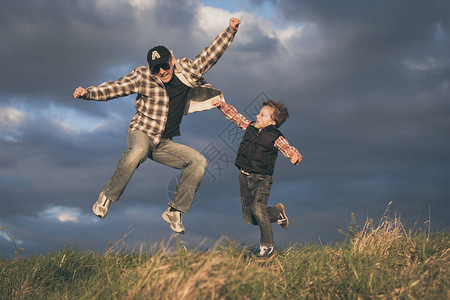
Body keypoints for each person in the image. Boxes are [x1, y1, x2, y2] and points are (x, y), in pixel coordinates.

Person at [73, 18, 241, 234]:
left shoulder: (187, 69)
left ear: (171, 60)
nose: (162, 71)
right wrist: (88, 93)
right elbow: (116, 88)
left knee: (198, 161)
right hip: (141, 132)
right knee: (139, 150)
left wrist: (230, 31)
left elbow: (210, 55)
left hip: (163, 143)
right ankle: (107, 196)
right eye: (156, 69)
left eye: (164, 65)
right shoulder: (143, 75)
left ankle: (175, 211)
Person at [212, 98, 302, 262]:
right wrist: (221, 106)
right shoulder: (251, 127)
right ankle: (277, 213)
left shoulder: (276, 137)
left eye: (262, 115)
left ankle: (267, 248)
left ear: (272, 122)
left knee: (258, 208)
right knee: (250, 218)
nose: (257, 116)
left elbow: (287, 148)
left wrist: (294, 156)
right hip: (244, 178)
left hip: (262, 179)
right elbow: (236, 117)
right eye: (259, 114)